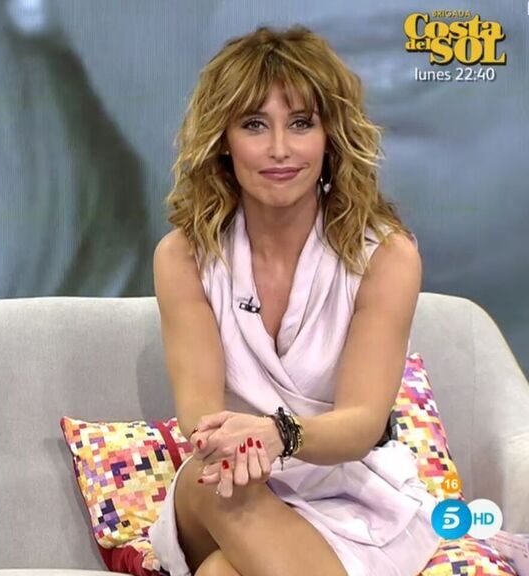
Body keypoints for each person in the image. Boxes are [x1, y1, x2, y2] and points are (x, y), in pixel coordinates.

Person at [149, 26, 438, 576]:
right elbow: (201, 417)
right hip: (229, 479)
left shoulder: (387, 257)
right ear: (223, 139)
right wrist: (244, 445)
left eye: (301, 123)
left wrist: (280, 434)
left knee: (220, 573)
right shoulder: (183, 257)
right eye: (255, 125)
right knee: (216, 484)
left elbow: (361, 423)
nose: (280, 148)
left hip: (350, 488)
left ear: (331, 138)